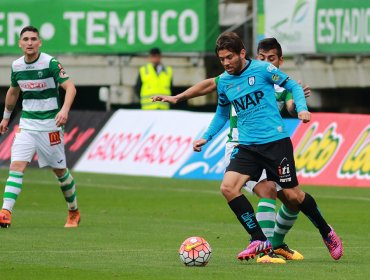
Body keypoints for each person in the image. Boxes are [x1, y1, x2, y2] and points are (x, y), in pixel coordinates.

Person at [154, 32, 343, 262]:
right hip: (247, 147)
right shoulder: (225, 81)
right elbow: (222, 113)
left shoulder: (263, 70)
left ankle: (326, 232)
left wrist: (301, 108)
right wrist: (207, 136)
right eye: (222, 59)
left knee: (293, 196)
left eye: (229, 57)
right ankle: (258, 238)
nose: (226, 63)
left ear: (242, 53)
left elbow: (292, 85)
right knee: (228, 188)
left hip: (275, 144)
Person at [0, 26, 80, 228]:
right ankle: (5, 212)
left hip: (50, 127)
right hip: (26, 125)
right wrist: (6, 117)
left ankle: (73, 210)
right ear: (20, 43)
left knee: (60, 172)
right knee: (16, 167)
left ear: (39, 42)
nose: (29, 42)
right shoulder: (17, 66)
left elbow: (70, 87)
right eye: (25, 39)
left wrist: (64, 110)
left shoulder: (50, 63)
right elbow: (13, 91)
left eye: (33, 39)